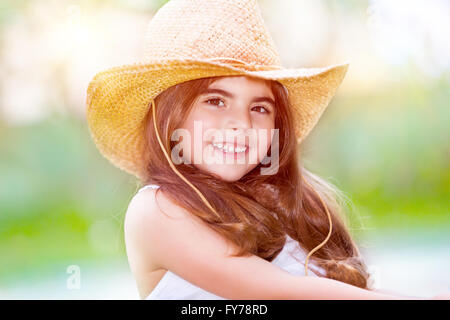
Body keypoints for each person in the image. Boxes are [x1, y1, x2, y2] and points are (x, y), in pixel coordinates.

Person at [85, 0, 448, 300]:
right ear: (169, 118)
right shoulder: (156, 210)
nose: (241, 124)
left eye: (259, 108)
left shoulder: (298, 203)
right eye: (215, 100)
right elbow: (276, 292)